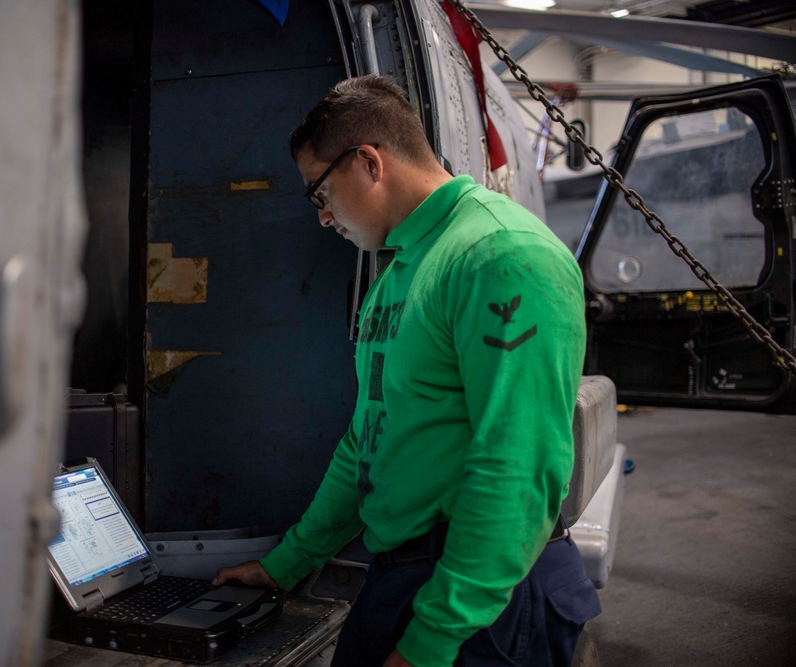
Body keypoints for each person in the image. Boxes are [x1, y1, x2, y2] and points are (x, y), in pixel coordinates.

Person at [214, 74, 600, 667]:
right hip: (405, 579)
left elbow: (517, 465)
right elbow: (366, 443)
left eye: (319, 193)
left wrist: (434, 638)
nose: (322, 217)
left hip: (484, 601)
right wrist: (286, 563)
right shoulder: (403, 270)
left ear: (368, 162)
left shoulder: (500, 255)